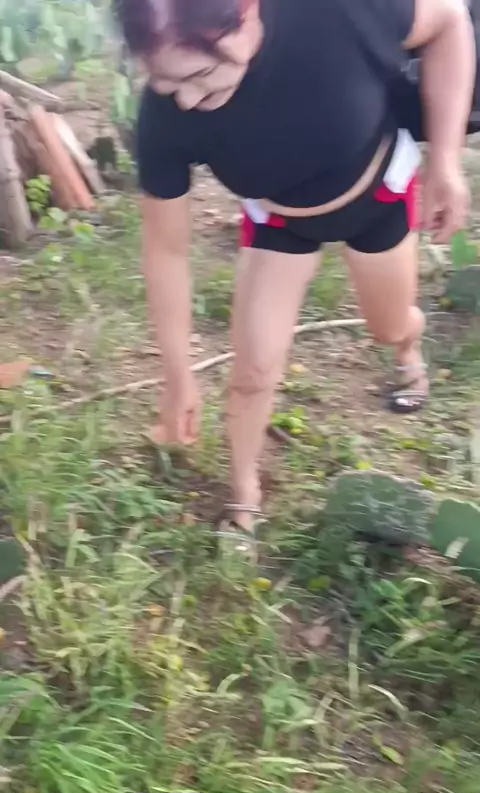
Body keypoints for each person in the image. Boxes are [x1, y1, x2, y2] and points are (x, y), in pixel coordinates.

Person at [116, 0, 474, 556]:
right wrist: (178, 376)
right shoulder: (165, 115)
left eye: (198, 74)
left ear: (245, 16)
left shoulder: (338, 11)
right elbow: (166, 252)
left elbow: (449, 21)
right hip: (279, 219)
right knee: (253, 368)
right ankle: (244, 496)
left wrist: (446, 161)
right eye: (165, 83)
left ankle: (408, 347)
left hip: (378, 196)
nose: (183, 98)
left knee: (388, 325)